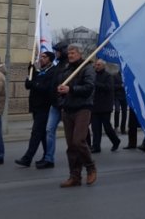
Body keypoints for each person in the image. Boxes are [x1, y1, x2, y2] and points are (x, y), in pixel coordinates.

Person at [57, 44, 96, 187]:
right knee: (71, 145)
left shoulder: (87, 68)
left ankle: (90, 166)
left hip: (82, 108)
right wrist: (61, 99)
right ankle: (75, 176)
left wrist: (71, 89)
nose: (70, 55)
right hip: (68, 109)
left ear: (80, 54)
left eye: (73, 53)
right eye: (69, 53)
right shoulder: (66, 69)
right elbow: (61, 88)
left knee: (78, 140)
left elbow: (89, 87)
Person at [16, 50, 55, 167]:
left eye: (44, 57)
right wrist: (30, 72)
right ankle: (48, 157)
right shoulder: (39, 72)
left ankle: (27, 158)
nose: (41, 59)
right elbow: (29, 85)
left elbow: (45, 88)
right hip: (35, 106)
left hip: (45, 107)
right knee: (42, 134)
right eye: (40, 57)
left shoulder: (52, 72)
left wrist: (34, 83)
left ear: (50, 59)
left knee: (36, 133)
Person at [38, 41, 69, 169]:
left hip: (66, 105)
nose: (56, 53)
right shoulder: (57, 67)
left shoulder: (69, 67)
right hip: (55, 105)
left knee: (73, 135)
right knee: (49, 130)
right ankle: (49, 158)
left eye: (58, 51)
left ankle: (81, 156)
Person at [90, 59, 121, 153]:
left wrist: (95, 84)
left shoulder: (108, 76)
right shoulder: (93, 75)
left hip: (105, 106)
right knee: (95, 128)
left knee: (107, 127)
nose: (97, 66)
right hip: (94, 105)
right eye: (96, 65)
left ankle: (116, 141)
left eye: (99, 65)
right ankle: (96, 146)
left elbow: (108, 88)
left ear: (103, 66)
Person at [113, 70, 128, 134]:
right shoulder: (115, 76)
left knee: (124, 113)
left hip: (125, 97)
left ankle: (123, 128)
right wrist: (121, 86)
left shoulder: (126, 76)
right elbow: (113, 86)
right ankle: (116, 127)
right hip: (117, 96)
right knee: (117, 111)